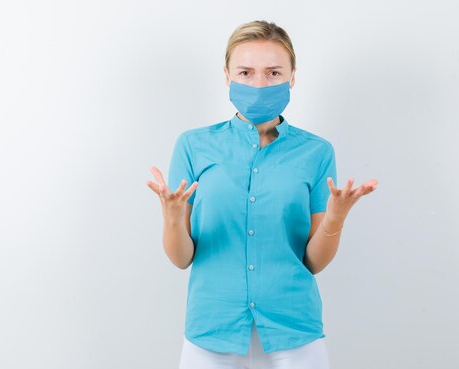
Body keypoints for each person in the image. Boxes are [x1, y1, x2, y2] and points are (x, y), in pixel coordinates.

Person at [146, 20, 378, 369]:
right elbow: (181, 258)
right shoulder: (193, 146)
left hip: (294, 332)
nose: (258, 84)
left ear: (292, 77)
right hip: (212, 331)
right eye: (245, 72)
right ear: (226, 76)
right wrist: (172, 217)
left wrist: (335, 218)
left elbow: (313, 262)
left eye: (272, 73)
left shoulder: (316, 152)